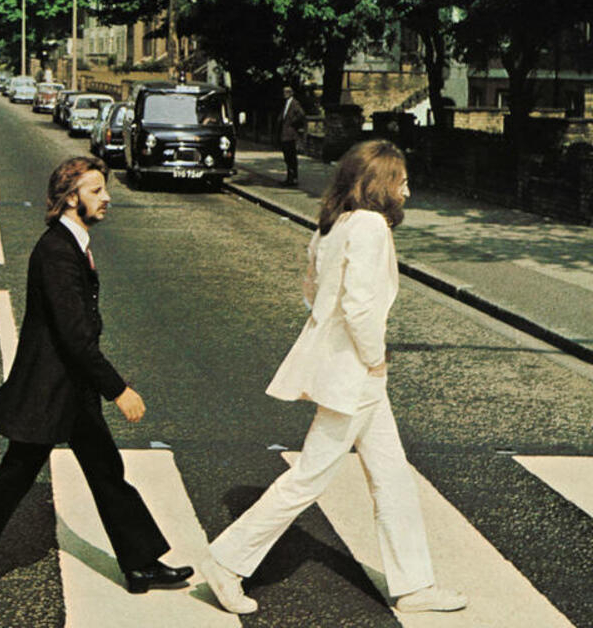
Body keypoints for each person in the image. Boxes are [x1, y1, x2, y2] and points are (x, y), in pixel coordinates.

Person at [199, 140, 467, 615]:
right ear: (380, 184)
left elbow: (312, 291)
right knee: (308, 478)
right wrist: (373, 356)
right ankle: (227, 561)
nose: (408, 188)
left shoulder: (334, 225)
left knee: (392, 478)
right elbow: (359, 306)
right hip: (357, 375)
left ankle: (413, 585)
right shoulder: (369, 227)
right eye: (401, 179)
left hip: (353, 374)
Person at [0, 156, 193, 604]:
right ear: (71, 198)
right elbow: (73, 337)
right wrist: (119, 389)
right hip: (50, 391)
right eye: (95, 191)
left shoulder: (72, 244)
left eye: (104, 189)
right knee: (13, 478)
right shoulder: (55, 251)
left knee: (107, 471)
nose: (106, 198)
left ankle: (141, 561)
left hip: (70, 390)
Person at [276, 84, 307, 186]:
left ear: (291, 93)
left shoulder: (294, 103)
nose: (285, 94)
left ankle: (293, 179)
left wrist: (292, 124)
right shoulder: (286, 103)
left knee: (291, 157)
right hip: (285, 135)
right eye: (284, 92)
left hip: (290, 135)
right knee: (287, 157)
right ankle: (289, 178)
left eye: (287, 92)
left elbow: (301, 114)